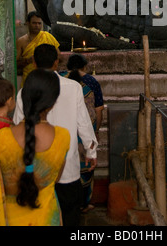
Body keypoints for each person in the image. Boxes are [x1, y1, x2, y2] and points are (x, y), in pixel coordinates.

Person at [13, 44, 98, 227]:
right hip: (67, 170)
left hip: (36, 172)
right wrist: (91, 152)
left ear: (34, 63)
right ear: (56, 63)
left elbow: (17, 129)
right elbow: (84, 123)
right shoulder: (73, 87)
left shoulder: (24, 93)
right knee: (70, 217)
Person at [0, 69, 70, 226]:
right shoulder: (63, 137)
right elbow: (56, 178)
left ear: (23, 97)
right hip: (46, 217)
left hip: (5, 218)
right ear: (52, 104)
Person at [67, 68, 97, 213]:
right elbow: (90, 118)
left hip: (66, 137)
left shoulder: (60, 89)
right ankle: (83, 204)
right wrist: (91, 144)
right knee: (84, 171)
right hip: (81, 137)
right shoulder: (85, 90)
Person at [16, 11, 61, 85]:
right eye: (34, 23)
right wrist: (28, 61)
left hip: (48, 78)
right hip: (29, 79)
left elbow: (59, 56)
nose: (37, 25)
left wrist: (46, 58)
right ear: (27, 23)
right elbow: (15, 64)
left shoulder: (48, 36)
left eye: (39, 23)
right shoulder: (21, 41)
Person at [66, 54, 104, 139]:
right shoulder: (92, 81)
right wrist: (96, 131)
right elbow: (99, 109)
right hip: (88, 126)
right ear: (84, 66)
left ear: (68, 66)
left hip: (67, 125)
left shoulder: (62, 79)